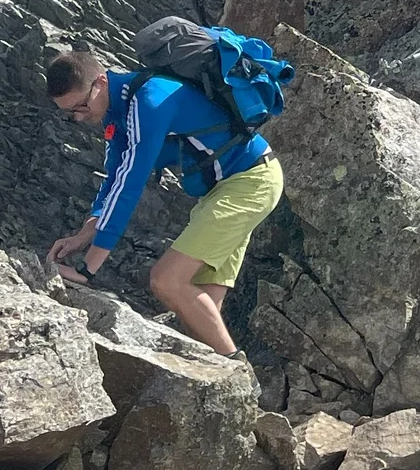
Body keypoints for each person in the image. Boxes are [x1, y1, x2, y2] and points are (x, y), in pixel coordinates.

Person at [44, 43, 283, 356]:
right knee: (199, 306)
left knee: (166, 280)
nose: (78, 117)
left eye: (81, 106)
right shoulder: (118, 113)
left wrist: (88, 270)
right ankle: (225, 381)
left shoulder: (149, 100)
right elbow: (114, 179)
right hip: (223, 190)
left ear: (101, 82)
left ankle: (239, 376)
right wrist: (85, 234)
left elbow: (131, 183)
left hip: (250, 182)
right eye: (69, 113)